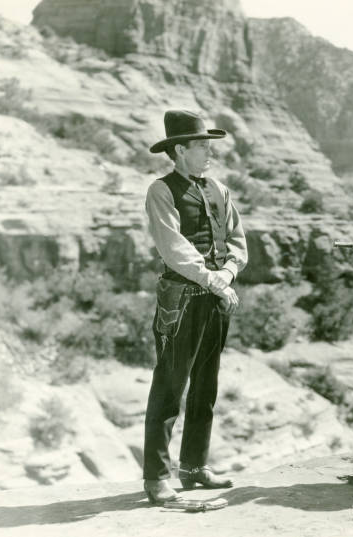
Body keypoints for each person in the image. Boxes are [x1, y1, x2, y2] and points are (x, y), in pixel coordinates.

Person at [142, 110, 248, 504]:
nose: (209, 154)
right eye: (202, 146)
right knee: (169, 387)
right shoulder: (161, 190)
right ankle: (156, 478)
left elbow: (237, 237)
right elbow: (174, 249)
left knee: (206, 388)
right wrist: (214, 279)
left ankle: (194, 467)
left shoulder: (218, 189)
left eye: (209, 146)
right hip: (181, 301)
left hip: (215, 300)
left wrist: (231, 271)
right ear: (180, 150)